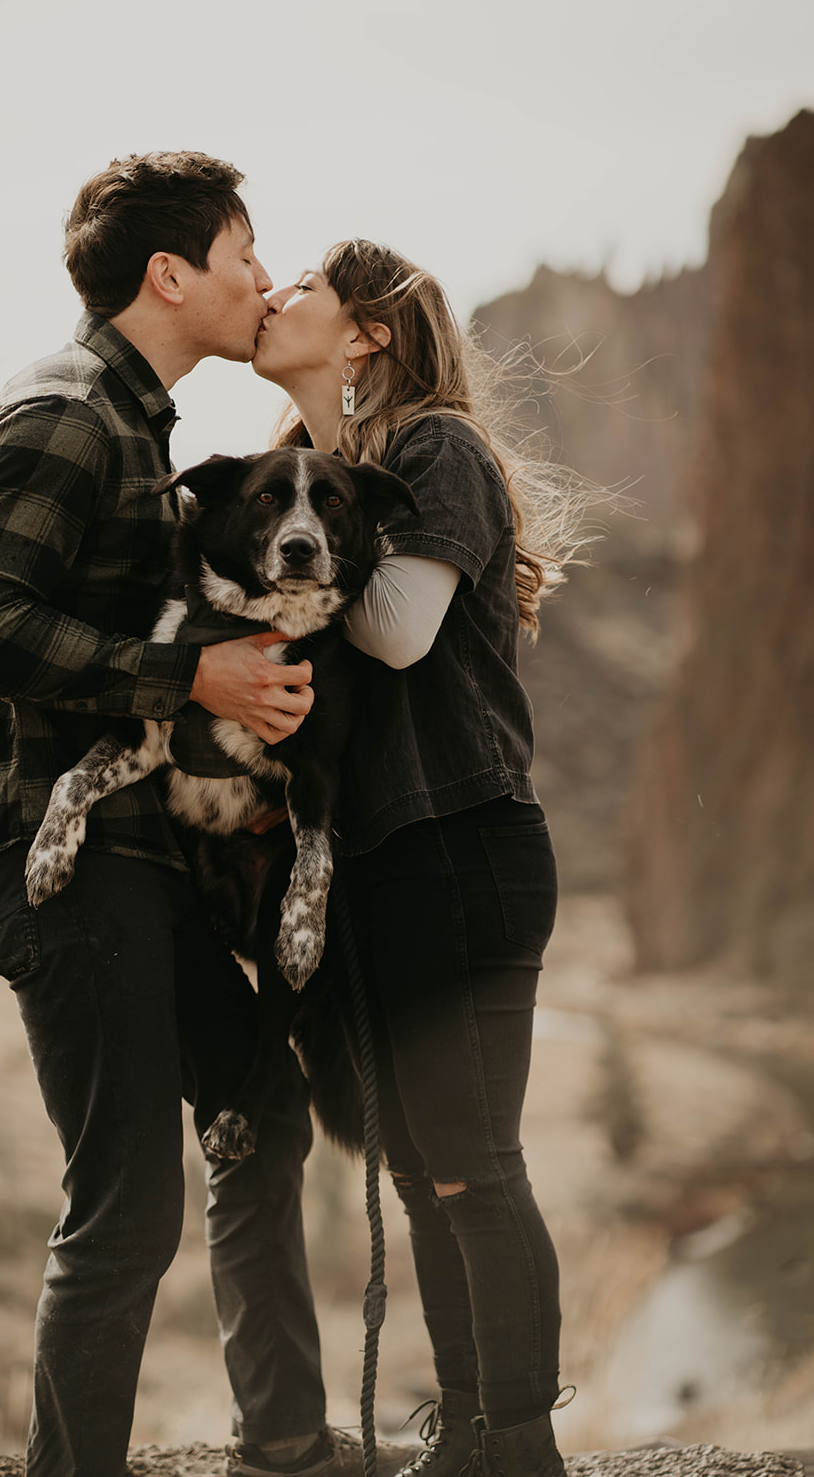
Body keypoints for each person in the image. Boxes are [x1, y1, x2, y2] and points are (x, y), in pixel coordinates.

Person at [0, 154, 372, 1477]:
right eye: (245, 252)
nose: (258, 276)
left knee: (259, 1109)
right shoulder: (66, 416)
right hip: (53, 867)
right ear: (170, 275)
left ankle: (285, 1440)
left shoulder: (138, 431)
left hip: (138, 866)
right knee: (124, 1211)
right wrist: (191, 674)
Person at [252, 240, 584, 1477]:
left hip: (460, 843)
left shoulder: (430, 449)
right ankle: (467, 1427)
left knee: (472, 1165)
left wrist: (283, 557)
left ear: (365, 335)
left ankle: (518, 1441)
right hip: (389, 862)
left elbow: (393, 632)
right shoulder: (329, 475)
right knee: (422, 1170)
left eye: (300, 291)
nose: (273, 297)